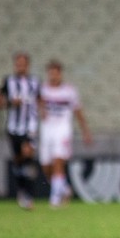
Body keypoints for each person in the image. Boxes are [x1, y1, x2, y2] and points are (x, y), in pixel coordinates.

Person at [38, 59, 93, 208]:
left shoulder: (69, 91)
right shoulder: (42, 90)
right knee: (46, 166)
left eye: (56, 73)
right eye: (51, 73)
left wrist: (85, 132)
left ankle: (55, 198)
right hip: (46, 130)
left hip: (62, 130)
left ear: (60, 74)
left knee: (58, 162)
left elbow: (78, 112)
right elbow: (38, 107)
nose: (54, 76)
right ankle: (64, 188)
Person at [0, 52, 41, 209]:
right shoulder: (8, 82)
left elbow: (41, 102)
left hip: (30, 127)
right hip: (13, 127)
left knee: (28, 154)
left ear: (28, 65)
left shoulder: (35, 82)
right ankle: (22, 190)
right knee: (19, 161)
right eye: (18, 64)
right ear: (15, 65)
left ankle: (28, 194)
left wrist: (44, 114)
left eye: (23, 63)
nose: (20, 66)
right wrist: (9, 102)